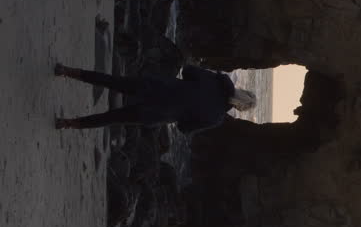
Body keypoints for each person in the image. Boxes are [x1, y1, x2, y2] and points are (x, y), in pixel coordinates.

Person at [54, 63, 256, 135]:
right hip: (159, 113)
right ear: (240, 108)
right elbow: (184, 128)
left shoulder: (219, 81)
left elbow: (188, 70)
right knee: (111, 118)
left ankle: (66, 71)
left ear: (241, 90)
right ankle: (67, 123)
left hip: (158, 87)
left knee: (112, 82)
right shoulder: (216, 118)